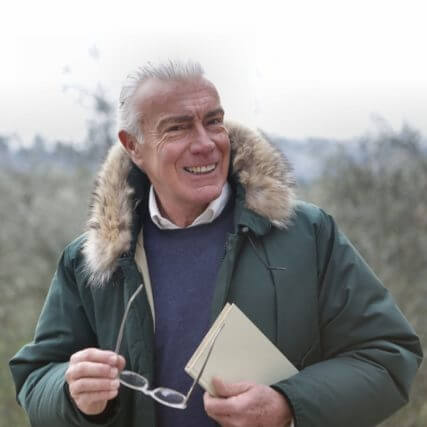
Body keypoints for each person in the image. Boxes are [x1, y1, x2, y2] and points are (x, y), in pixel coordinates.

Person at [10, 60, 422, 427]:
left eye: (213, 121)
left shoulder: (307, 235)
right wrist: (72, 395)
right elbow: (35, 379)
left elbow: (388, 356)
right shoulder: (89, 261)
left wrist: (288, 406)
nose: (206, 142)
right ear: (133, 146)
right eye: (177, 127)